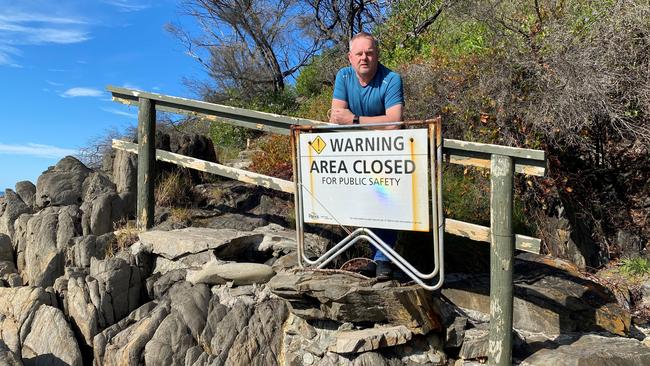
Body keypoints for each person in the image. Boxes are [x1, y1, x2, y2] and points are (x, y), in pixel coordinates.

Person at [330, 31, 404, 280]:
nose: (365, 58)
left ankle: (383, 260)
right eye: (359, 53)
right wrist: (372, 122)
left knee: (385, 201)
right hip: (354, 153)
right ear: (350, 57)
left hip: (386, 153)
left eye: (369, 53)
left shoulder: (391, 79)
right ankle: (375, 257)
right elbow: (335, 117)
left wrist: (355, 120)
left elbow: (394, 122)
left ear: (377, 55)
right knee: (363, 204)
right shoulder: (343, 76)